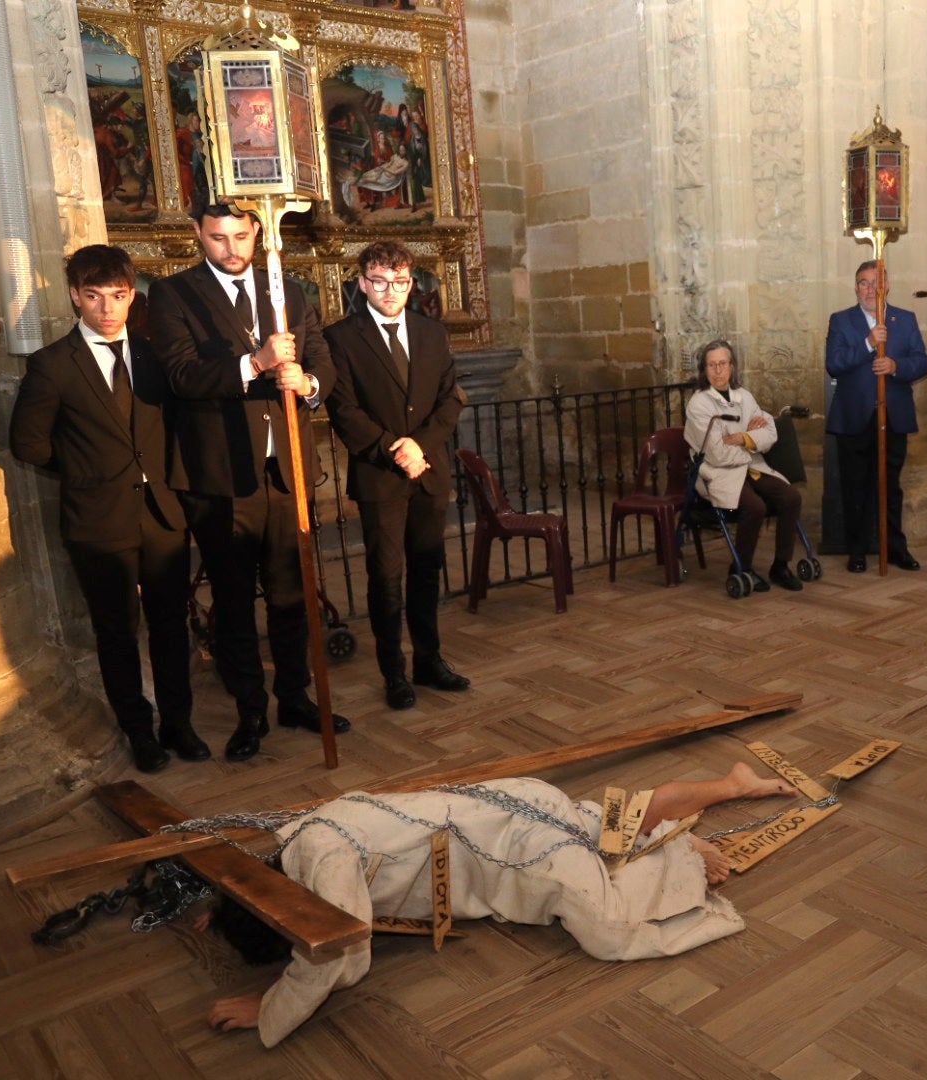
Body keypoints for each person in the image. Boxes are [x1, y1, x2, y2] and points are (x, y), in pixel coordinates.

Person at [204, 763, 800, 1047]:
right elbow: (253, 883)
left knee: (612, 930)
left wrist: (272, 1004)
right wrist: (224, 905)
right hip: (513, 802)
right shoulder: (297, 837)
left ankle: (680, 854)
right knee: (605, 822)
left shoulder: (325, 865)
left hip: (518, 850)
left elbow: (339, 954)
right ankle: (727, 786)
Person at [148, 203, 348, 762]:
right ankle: (249, 710)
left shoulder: (287, 289)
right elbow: (183, 376)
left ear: (258, 231)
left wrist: (306, 381)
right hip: (219, 474)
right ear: (197, 235)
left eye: (240, 235)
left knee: (291, 592)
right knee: (233, 600)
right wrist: (254, 362)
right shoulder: (173, 295)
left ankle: (294, 696)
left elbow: (322, 361)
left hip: (285, 469)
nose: (231, 248)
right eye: (217, 238)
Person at [9, 245, 199, 773]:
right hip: (98, 520)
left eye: (117, 296)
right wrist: (89, 472)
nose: (107, 309)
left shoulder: (155, 355)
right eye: (94, 297)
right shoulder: (51, 365)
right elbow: (28, 444)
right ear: (75, 296)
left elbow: (175, 424)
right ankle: (139, 731)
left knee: (169, 625)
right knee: (117, 631)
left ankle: (178, 723)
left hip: (162, 514)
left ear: (130, 295)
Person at [324, 241, 467, 711]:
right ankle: (394, 672)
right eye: (381, 281)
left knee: (426, 571)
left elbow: (451, 399)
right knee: (386, 576)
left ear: (411, 282)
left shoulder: (431, 333)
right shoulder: (341, 338)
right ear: (363, 282)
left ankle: (429, 660)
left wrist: (419, 446)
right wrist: (395, 449)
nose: (391, 291)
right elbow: (344, 410)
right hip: (380, 476)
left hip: (428, 472)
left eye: (401, 281)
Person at [824, 260, 927, 572]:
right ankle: (857, 550)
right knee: (855, 487)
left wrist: (895, 367)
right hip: (854, 418)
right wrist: (868, 344)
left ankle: (895, 547)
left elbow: (921, 362)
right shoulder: (841, 321)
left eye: (875, 282)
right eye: (863, 282)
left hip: (892, 416)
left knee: (890, 487)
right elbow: (835, 363)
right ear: (856, 287)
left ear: (887, 286)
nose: (870, 289)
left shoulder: (905, 319)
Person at [685, 339, 804, 592]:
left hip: (751, 467)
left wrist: (742, 438)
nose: (718, 370)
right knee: (755, 507)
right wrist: (752, 442)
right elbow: (716, 454)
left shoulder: (744, 397)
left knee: (791, 497)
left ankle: (780, 566)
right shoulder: (699, 404)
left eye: (723, 364)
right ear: (704, 369)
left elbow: (770, 432)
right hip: (718, 474)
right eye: (712, 365)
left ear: (732, 366)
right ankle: (742, 568)